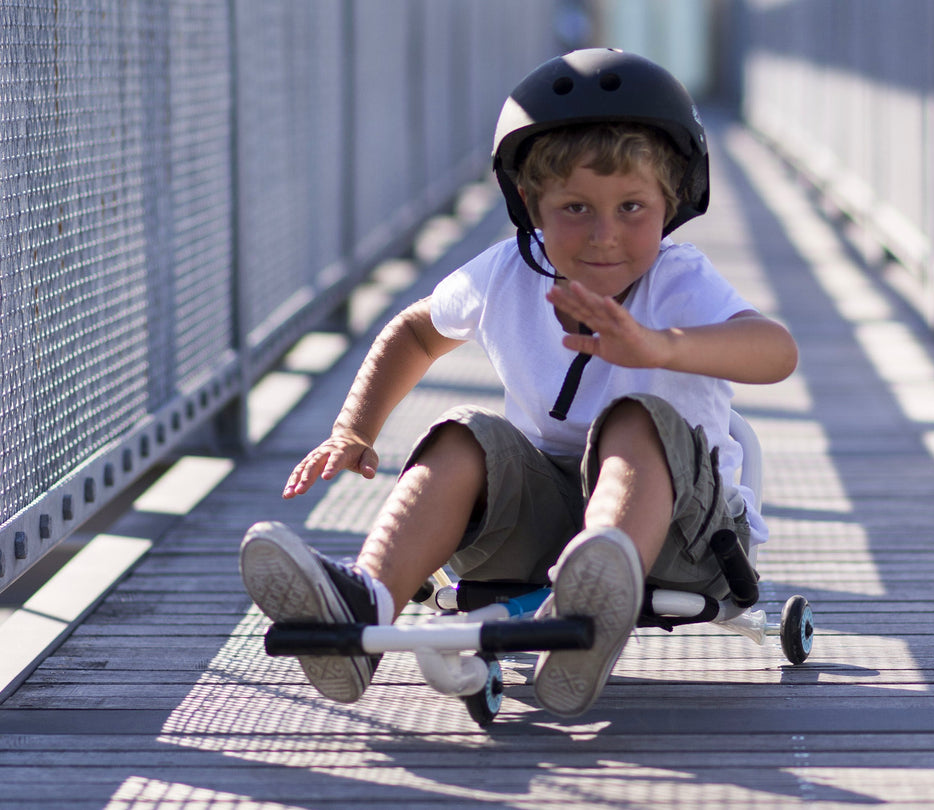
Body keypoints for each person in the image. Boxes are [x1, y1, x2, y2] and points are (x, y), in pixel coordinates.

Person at [239, 48, 798, 718]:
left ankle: (595, 599)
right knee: (463, 435)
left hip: (683, 537)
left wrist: (660, 345)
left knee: (634, 417)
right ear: (530, 202)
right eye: (574, 207)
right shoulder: (506, 271)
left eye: (630, 207)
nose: (604, 235)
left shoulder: (679, 280)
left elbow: (777, 352)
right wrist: (353, 428)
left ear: (670, 200)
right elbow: (416, 331)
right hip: (546, 529)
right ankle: (365, 604)